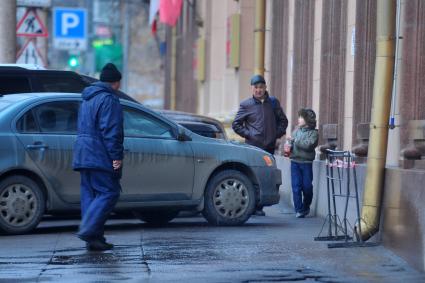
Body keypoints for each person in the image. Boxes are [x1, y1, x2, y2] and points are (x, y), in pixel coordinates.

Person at [73, 63, 124, 251]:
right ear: (116, 82)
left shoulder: (87, 99)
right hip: (98, 153)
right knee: (109, 192)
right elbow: (111, 131)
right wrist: (116, 156)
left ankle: (94, 239)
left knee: (90, 194)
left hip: (83, 152)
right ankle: (88, 230)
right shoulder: (108, 100)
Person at [232, 74, 288, 216]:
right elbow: (236, 124)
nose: (258, 90)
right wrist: (250, 134)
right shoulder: (246, 104)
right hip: (253, 147)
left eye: (261, 87)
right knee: (253, 175)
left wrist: (276, 134)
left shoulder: (273, 103)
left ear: (265, 87)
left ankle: (260, 206)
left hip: (269, 148)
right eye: (256, 87)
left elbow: (283, 121)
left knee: (267, 176)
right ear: (252, 89)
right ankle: (253, 206)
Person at [286, 108, 318, 218]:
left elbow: (308, 145)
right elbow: (291, 142)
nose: (299, 119)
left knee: (307, 187)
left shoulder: (313, 133)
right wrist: (288, 146)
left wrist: (294, 140)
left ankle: (306, 207)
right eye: (299, 117)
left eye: (301, 117)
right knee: (296, 187)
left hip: (306, 163)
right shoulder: (296, 130)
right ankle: (299, 210)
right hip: (295, 162)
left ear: (308, 120)